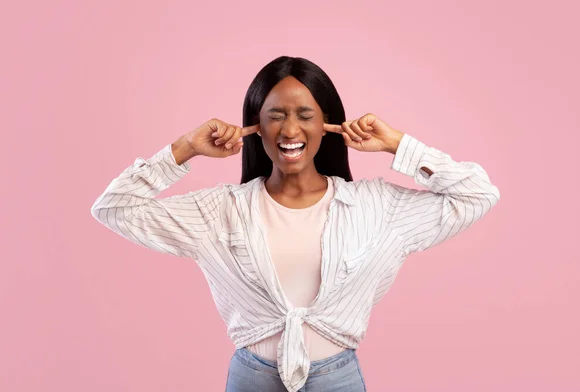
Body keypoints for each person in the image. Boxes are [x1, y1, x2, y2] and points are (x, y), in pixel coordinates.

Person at [91, 56, 500, 392]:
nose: (290, 130)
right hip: (251, 379)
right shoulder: (220, 210)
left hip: (338, 379)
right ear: (256, 126)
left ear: (328, 124)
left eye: (305, 115)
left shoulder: (377, 206)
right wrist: (184, 150)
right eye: (276, 116)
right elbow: (114, 209)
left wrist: (397, 144)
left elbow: (477, 194)